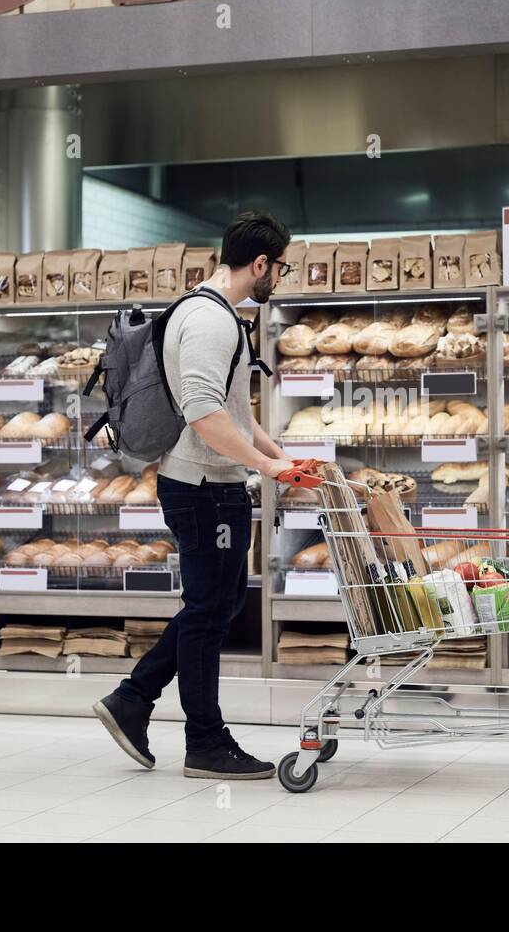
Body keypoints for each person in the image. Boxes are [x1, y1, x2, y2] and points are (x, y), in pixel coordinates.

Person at [94, 212, 295, 779]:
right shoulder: (211, 322)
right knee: (209, 612)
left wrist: (277, 457)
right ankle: (204, 742)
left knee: (218, 603)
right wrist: (263, 467)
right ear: (259, 264)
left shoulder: (212, 312)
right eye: (279, 267)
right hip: (204, 488)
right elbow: (204, 412)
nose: (279, 278)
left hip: (212, 483)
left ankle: (133, 698)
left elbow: (233, 410)